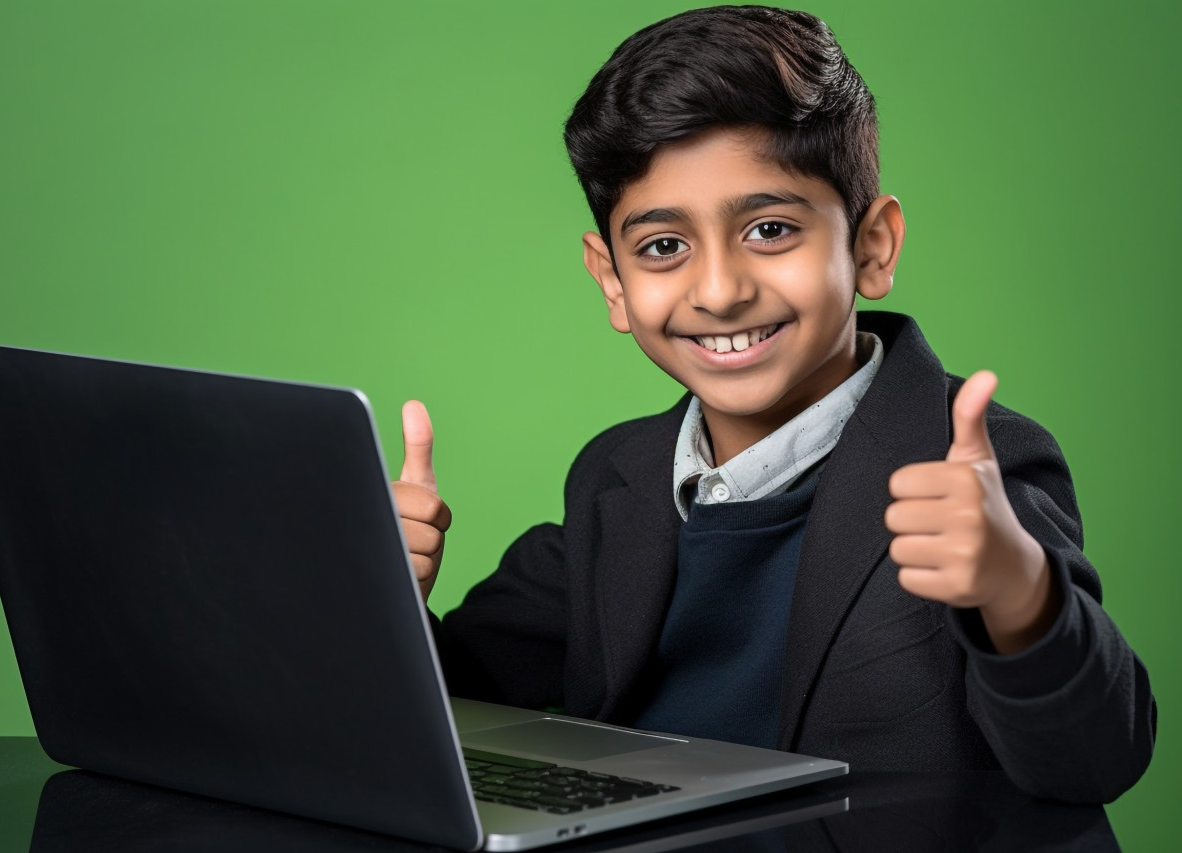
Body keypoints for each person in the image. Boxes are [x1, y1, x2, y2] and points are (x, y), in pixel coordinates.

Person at [389, 5, 1154, 803]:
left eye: (771, 230)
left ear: (872, 246)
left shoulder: (975, 474)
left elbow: (1096, 760)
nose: (720, 291)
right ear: (612, 280)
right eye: (663, 247)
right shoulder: (615, 477)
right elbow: (455, 701)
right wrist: (384, 594)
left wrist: (1018, 593)